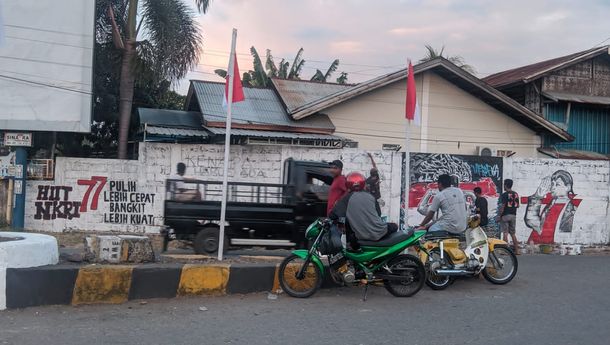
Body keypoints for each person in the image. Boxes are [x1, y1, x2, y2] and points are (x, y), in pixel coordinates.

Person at [330, 172, 398, 250]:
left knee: (347, 227)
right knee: (395, 226)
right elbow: (378, 214)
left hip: (360, 236)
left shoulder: (346, 199)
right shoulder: (371, 196)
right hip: (379, 232)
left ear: (348, 184)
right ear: (362, 183)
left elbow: (333, 215)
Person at [525, 170, 579, 244]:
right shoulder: (551, 205)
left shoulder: (570, 208)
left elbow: (564, 234)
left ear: (568, 187)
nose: (552, 188)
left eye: (557, 184)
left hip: (550, 245)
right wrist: (537, 197)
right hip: (540, 243)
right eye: (552, 184)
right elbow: (535, 224)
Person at [497, 179, 520, 254]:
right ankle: (517, 250)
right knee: (513, 233)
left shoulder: (504, 195)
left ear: (506, 185)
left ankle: (505, 251)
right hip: (513, 215)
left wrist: (499, 216)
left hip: (506, 215)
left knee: (505, 233)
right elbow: (518, 205)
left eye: (504, 184)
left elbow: (502, 206)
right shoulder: (516, 194)